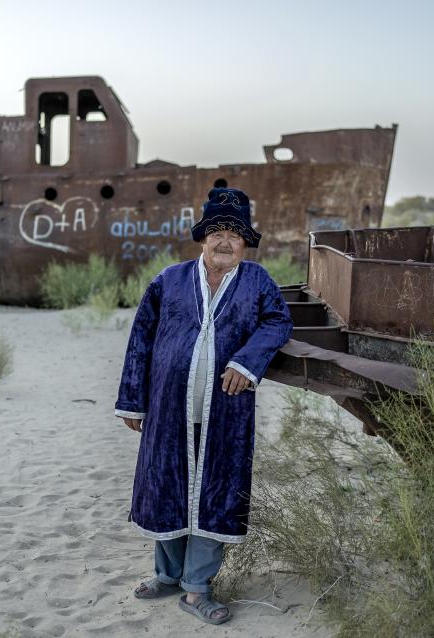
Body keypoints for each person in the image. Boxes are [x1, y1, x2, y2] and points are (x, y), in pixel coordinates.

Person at [114, 187, 293, 625]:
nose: (225, 241)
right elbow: (141, 339)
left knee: (215, 495)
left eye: (234, 232)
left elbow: (279, 322)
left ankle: (196, 590)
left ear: (245, 242)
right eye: (217, 231)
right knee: (166, 489)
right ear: (202, 238)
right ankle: (167, 575)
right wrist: (133, 401)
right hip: (168, 409)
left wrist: (248, 362)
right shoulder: (169, 280)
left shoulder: (257, 282)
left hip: (225, 414)